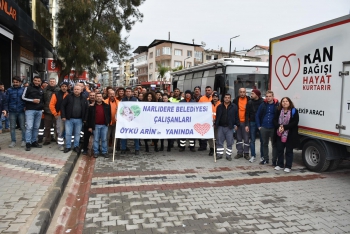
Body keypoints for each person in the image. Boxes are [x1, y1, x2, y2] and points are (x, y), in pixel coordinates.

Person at [273, 97, 299, 172]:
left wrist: (284, 127)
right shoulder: (278, 110)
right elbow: (274, 120)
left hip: (290, 134)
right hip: (279, 133)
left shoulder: (294, 111)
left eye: (286, 101)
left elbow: (295, 122)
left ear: (289, 102)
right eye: (283, 101)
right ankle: (280, 165)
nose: (285, 103)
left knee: (289, 151)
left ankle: (288, 166)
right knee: (280, 150)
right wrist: (279, 126)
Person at [61, 85, 89, 153]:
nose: (76, 90)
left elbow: (86, 109)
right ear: (73, 90)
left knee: (77, 134)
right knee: (68, 133)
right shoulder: (68, 97)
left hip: (79, 119)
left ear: (81, 90)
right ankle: (68, 146)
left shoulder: (84, 98)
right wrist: (63, 116)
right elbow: (62, 106)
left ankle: (76, 146)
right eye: (75, 89)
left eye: (78, 89)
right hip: (69, 119)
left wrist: (85, 119)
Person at [256, 90, 279, 165]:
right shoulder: (263, 105)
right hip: (264, 127)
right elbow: (257, 115)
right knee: (264, 144)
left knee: (274, 144)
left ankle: (274, 160)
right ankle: (266, 159)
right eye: (267, 96)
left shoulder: (277, 105)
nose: (268, 98)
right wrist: (259, 126)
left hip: (273, 128)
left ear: (273, 96)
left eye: (270, 96)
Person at [22, 76, 44, 151]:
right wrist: (32, 100)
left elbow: (43, 100)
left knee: (36, 127)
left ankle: (34, 141)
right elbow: (23, 97)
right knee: (29, 127)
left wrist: (42, 108)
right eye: (35, 80)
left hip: (39, 110)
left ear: (40, 82)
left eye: (38, 81)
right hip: (30, 110)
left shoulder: (41, 89)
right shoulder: (27, 88)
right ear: (33, 80)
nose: (37, 82)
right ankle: (28, 143)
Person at [215, 93, 239, 161]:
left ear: (230, 98)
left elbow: (236, 116)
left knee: (229, 142)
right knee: (219, 141)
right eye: (226, 97)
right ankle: (219, 154)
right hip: (220, 126)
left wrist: (237, 124)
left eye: (228, 97)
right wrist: (216, 124)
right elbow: (217, 117)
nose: (227, 98)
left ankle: (228, 155)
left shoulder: (234, 106)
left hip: (230, 127)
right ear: (223, 98)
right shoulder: (219, 106)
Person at [87, 93, 111, 158]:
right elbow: (89, 117)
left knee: (104, 139)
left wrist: (108, 122)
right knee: (96, 139)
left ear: (102, 97)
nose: (98, 98)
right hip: (96, 125)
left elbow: (109, 115)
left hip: (104, 125)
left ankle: (104, 152)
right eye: (97, 96)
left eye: (100, 96)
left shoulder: (106, 106)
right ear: (95, 98)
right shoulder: (91, 107)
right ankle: (96, 152)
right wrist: (90, 126)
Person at [6, 76, 26, 148]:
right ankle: (13, 141)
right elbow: (6, 101)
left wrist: (25, 107)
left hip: (21, 111)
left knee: (23, 126)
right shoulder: (9, 90)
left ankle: (24, 140)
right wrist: (6, 110)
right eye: (14, 82)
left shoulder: (24, 90)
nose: (15, 83)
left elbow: (25, 100)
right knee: (12, 127)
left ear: (20, 82)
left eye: (17, 82)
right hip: (12, 111)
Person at [49, 82, 69, 150]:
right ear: (60, 87)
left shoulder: (69, 94)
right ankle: (60, 145)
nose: (64, 87)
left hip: (68, 116)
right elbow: (51, 105)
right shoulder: (56, 94)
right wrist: (55, 114)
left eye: (65, 86)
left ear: (67, 87)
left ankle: (67, 145)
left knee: (68, 131)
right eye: (62, 86)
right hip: (59, 115)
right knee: (60, 131)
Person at [246, 89, 264, 163]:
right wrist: (247, 124)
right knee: (252, 140)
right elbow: (247, 114)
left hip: (261, 123)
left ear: (257, 94)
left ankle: (262, 156)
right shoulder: (249, 102)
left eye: (252, 93)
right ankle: (253, 156)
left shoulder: (263, 102)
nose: (251, 94)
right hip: (252, 123)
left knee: (262, 141)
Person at [232, 88, 250, 160]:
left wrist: (247, 124)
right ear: (239, 93)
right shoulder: (235, 100)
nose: (242, 93)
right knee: (238, 138)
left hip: (246, 122)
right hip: (238, 122)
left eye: (243, 92)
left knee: (246, 139)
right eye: (241, 92)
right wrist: (235, 123)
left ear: (245, 93)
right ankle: (239, 152)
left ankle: (246, 153)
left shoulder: (249, 100)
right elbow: (233, 112)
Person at [120, 87, 140, 155]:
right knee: (124, 134)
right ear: (125, 93)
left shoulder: (135, 100)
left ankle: (137, 149)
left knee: (136, 135)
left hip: (134, 120)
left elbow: (138, 108)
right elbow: (121, 110)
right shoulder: (122, 100)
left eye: (129, 91)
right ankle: (123, 148)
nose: (128, 92)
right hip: (125, 120)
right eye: (127, 91)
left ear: (131, 92)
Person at [43, 78, 60, 145]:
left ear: (55, 82)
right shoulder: (45, 90)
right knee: (47, 127)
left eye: (53, 81)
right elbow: (43, 100)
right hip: (47, 111)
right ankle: (47, 139)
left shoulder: (59, 90)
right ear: (49, 82)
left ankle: (58, 139)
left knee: (57, 126)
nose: (52, 82)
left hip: (56, 111)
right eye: (51, 81)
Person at [198, 86, 213, 152]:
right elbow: (198, 108)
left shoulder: (214, 98)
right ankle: (203, 146)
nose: (207, 91)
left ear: (211, 91)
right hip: (203, 118)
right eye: (206, 90)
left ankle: (212, 148)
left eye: (209, 90)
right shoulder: (202, 98)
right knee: (203, 133)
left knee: (210, 135)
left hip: (212, 119)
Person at [208, 92, 221, 156]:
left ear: (218, 98)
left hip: (217, 124)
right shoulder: (209, 104)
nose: (215, 98)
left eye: (216, 97)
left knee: (217, 137)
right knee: (210, 137)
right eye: (214, 97)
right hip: (210, 123)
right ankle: (211, 149)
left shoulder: (221, 104)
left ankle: (217, 149)